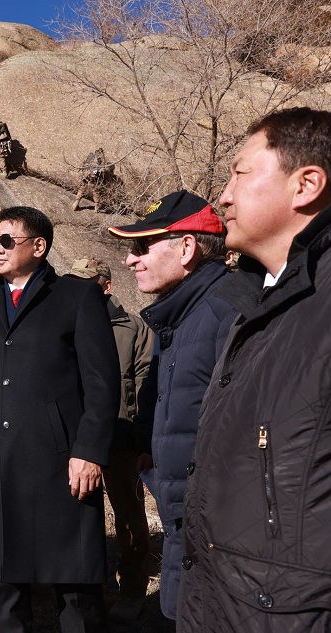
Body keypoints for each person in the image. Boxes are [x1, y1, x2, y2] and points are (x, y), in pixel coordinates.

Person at [178, 107, 331, 631]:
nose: (223, 195)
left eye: (240, 174)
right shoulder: (256, 302)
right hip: (230, 604)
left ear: (306, 185)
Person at [0, 208, 120, 633]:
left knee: (76, 585)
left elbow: (102, 384)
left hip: (61, 465)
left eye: (7, 240)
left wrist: (90, 451)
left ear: (39, 246)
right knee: (4, 588)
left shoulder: (78, 298)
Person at [107, 189, 237, 620]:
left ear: (186, 248)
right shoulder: (182, 317)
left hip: (221, 534)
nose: (130, 260)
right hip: (190, 527)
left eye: (142, 246)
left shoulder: (229, 310)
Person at [64, 258, 154, 623]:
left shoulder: (133, 327)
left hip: (121, 437)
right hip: (74, 440)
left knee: (129, 518)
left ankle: (131, 590)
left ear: (107, 286)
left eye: (88, 283)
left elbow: (146, 384)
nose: (79, 290)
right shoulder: (64, 322)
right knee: (73, 517)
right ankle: (79, 589)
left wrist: (144, 440)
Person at [71, 148, 112, 213]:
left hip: (85, 175)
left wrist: (87, 172)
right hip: (93, 177)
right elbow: (101, 170)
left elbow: (84, 166)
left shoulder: (91, 156)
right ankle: (96, 208)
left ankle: (76, 203)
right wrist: (95, 173)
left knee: (82, 189)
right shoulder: (101, 160)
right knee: (95, 191)